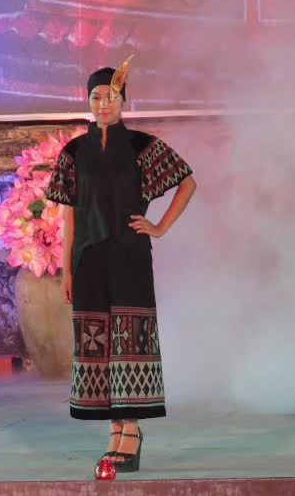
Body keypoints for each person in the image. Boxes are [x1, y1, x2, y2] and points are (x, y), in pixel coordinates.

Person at [44, 58, 197, 472]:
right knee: (97, 341)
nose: (104, 103)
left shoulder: (141, 146)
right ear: (88, 101)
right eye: (96, 96)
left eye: (111, 96)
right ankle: (114, 429)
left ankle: (131, 428)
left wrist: (159, 227)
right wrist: (67, 269)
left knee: (129, 339)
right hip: (88, 258)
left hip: (129, 254)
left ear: (123, 100)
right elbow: (70, 214)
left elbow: (187, 183)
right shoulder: (74, 152)